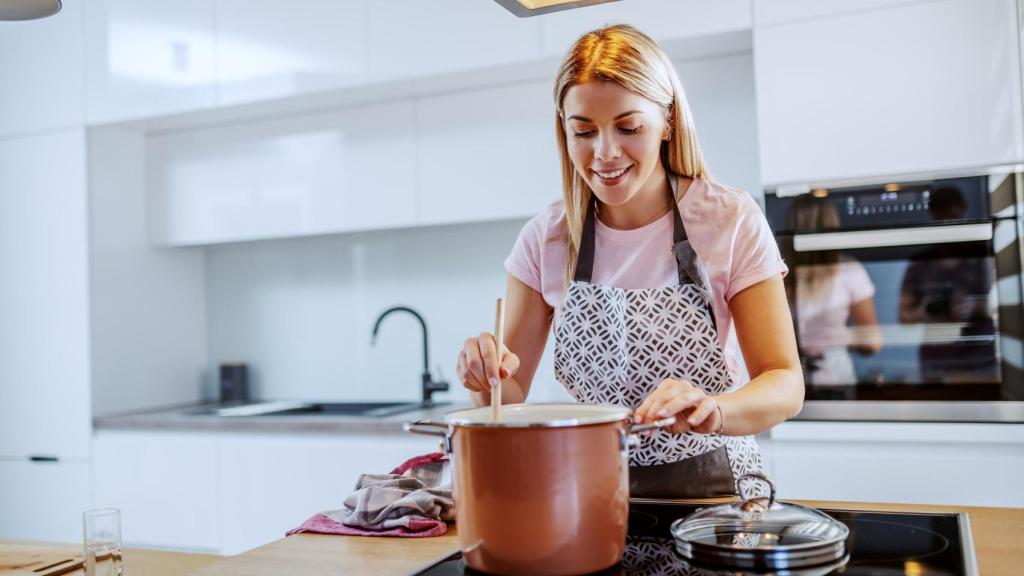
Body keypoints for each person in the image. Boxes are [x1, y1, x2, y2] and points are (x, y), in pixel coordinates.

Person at [454, 25, 803, 498]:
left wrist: (714, 409)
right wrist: (483, 378)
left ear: (669, 121)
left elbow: (783, 381)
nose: (604, 153)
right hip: (593, 492)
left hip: (717, 492)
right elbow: (508, 394)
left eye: (628, 127)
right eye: (583, 131)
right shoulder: (546, 239)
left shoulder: (728, 219)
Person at [899, 187, 997, 382]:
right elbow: (904, 316)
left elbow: (1005, 304)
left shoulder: (983, 255)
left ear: (963, 211)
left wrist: (972, 306)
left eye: (953, 216)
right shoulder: (920, 263)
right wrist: (925, 309)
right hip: (935, 362)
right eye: (941, 219)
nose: (948, 224)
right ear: (933, 218)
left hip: (980, 361)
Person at [786, 195, 883, 386]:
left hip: (837, 380)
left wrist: (837, 337)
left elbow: (873, 342)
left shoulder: (849, 270)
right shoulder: (780, 273)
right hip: (792, 383)